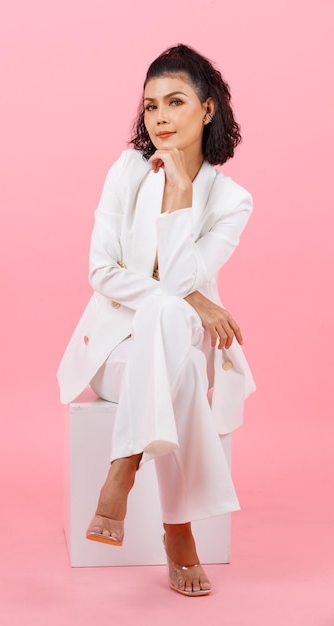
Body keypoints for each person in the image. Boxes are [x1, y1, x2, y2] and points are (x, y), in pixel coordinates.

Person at [57, 43, 255, 596]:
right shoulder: (126, 170)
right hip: (114, 350)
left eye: (175, 102)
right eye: (150, 106)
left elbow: (181, 279)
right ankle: (180, 533)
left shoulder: (232, 200)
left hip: (173, 341)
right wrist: (194, 300)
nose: (160, 117)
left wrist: (183, 193)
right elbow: (102, 271)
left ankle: (122, 470)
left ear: (208, 109)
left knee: (174, 335)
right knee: (181, 358)